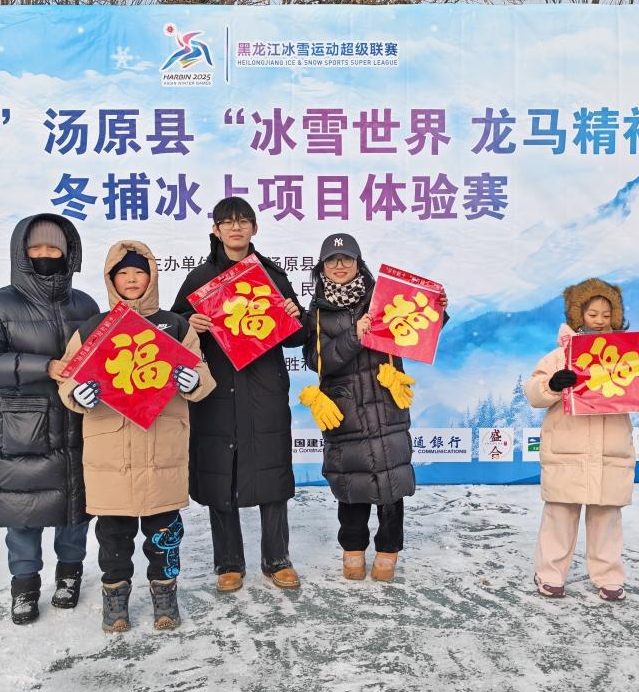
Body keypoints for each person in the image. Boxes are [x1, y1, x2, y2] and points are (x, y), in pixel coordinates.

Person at [58, 241, 215, 633]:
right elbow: (68, 377)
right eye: (123, 273)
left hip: (163, 450)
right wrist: (77, 393)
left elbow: (204, 373)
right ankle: (115, 600)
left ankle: (165, 596)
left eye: (139, 272)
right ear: (111, 279)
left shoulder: (175, 325)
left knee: (164, 534)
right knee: (113, 537)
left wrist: (194, 381)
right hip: (112, 454)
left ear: (152, 277)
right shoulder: (93, 328)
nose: (131, 279)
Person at [0, 215, 100, 625]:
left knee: (75, 505)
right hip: (21, 427)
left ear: (68, 253)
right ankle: (24, 585)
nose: (45, 255)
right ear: (21, 255)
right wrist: (47, 366)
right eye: (35, 249)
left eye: (53, 248)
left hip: (77, 422)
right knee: (23, 510)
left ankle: (70, 574)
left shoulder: (84, 305)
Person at [170, 197, 308, 592]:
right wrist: (190, 322)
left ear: (254, 228)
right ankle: (228, 562)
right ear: (215, 230)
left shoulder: (271, 274)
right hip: (217, 389)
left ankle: (277, 559)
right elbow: (173, 330)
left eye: (243, 221)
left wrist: (294, 316)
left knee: (272, 471)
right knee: (221, 474)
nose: (235, 228)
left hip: (264, 388)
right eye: (227, 222)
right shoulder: (200, 278)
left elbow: (297, 337)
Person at [301, 233, 445, 582]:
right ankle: (352, 547)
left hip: (386, 402)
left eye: (346, 259)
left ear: (358, 263)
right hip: (344, 409)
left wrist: (439, 308)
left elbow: (418, 330)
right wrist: (354, 334)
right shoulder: (317, 312)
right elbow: (318, 361)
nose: (339, 266)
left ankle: (388, 549)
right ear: (322, 267)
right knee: (351, 483)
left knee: (391, 480)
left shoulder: (385, 299)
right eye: (332, 260)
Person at [523, 278, 639, 602]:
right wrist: (553, 385)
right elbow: (533, 392)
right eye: (592, 314)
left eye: (606, 314)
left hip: (611, 452)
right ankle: (549, 573)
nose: (600, 320)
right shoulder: (560, 356)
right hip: (566, 452)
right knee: (560, 516)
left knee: (607, 518)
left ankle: (609, 575)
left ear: (616, 316)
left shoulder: (628, 356)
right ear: (578, 315)